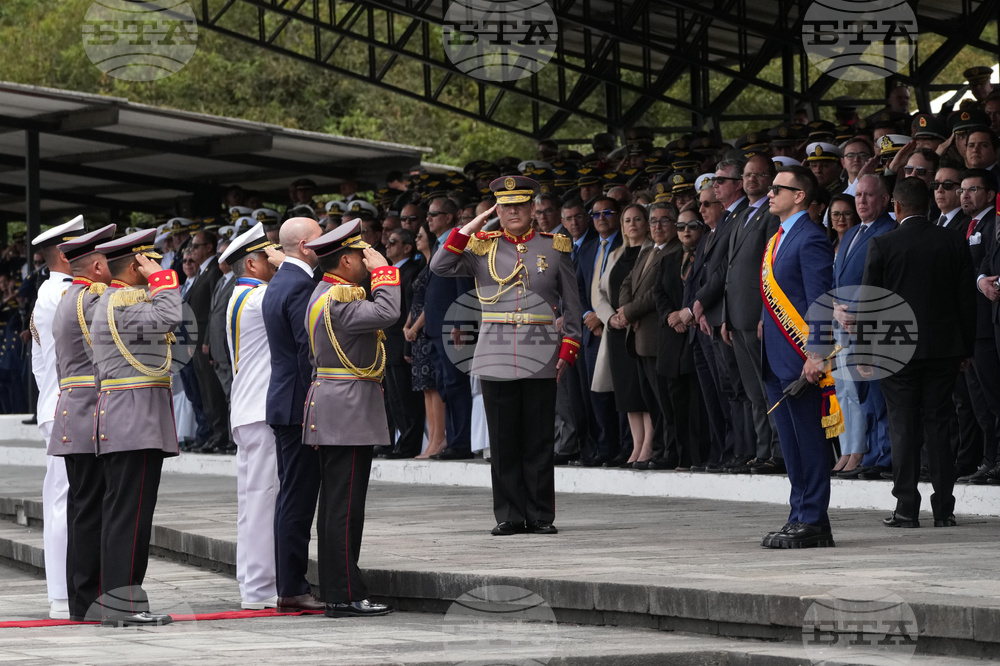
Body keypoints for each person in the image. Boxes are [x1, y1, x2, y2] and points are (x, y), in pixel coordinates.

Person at [431, 175, 581, 536]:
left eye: (520, 205)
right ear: (497, 209)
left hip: (541, 349)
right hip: (496, 352)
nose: (514, 212)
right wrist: (472, 225)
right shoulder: (483, 247)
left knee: (538, 439)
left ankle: (541, 515)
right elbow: (440, 266)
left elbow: (572, 304)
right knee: (503, 440)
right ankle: (510, 515)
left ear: (533, 209)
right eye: (506, 206)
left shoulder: (555, 246)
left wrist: (570, 346)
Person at [865, 177, 976, 528]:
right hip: (944, 349)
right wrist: (966, 348)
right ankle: (944, 509)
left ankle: (906, 509)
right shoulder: (951, 240)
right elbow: (966, 299)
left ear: (895, 206)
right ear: (928, 205)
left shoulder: (882, 244)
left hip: (896, 350)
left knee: (903, 428)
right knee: (939, 426)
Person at [89, 228, 182, 625]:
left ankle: (118, 600)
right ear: (134, 265)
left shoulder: (117, 300)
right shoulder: (123, 302)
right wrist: (163, 280)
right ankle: (123, 604)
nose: (157, 267)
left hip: (130, 418)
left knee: (126, 514)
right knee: (130, 515)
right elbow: (171, 315)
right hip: (134, 420)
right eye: (150, 261)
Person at [302, 220, 395, 617]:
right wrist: (386, 271)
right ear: (345, 260)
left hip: (337, 406)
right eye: (361, 255)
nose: (366, 260)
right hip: (348, 409)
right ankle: (343, 594)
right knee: (344, 507)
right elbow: (388, 311)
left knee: (339, 504)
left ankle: (341, 589)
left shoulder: (326, 293)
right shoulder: (339, 298)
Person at [759, 166, 839, 549]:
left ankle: (813, 519)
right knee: (791, 444)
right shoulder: (778, 238)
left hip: (800, 357)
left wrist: (818, 353)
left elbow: (820, 301)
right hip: (776, 357)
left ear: (800, 196)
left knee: (808, 441)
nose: (770, 193)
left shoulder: (809, 239)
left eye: (778, 188)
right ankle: (800, 514)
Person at [47, 222, 115, 622]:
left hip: (76, 408)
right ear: (95, 267)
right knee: (91, 508)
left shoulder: (69, 297)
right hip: (90, 410)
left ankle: (82, 597)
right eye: (108, 260)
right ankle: (90, 597)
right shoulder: (92, 299)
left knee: (83, 507)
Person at [261, 216, 325, 613]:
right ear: (304, 245)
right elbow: (308, 351)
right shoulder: (300, 285)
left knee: (291, 497)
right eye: (321, 238)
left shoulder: (279, 281)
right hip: (299, 402)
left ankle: (290, 582)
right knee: (298, 500)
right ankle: (292, 586)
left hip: (284, 400)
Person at [29, 215, 85, 620]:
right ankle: (63, 595)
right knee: (65, 501)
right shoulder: (65, 294)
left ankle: (65, 592)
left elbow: (37, 364)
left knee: (63, 499)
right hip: (68, 406)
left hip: (57, 403)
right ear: (65, 254)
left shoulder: (47, 293)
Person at [222, 223, 281, 610]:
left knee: (251, 500)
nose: (277, 263)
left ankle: (252, 581)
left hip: (248, 408)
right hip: (261, 409)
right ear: (253, 262)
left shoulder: (237, 295)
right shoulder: (260, 297)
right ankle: (260, 589)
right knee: (262, 499)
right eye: (271, 257)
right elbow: (299, 292)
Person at [620, 202, 682, 468]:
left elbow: (654, 293)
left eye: (664, 221)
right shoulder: (650, 250)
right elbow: (627, 281)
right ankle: (659, 450)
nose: (657, 226)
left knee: (665, 401)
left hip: (658, 336)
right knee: (652, 400)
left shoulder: (674, 251)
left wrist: (628, 313)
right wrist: (623, 309)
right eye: (653, 221)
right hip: (640, 337)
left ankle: (668, 452)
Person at [593, 203, 652, 467]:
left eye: (637, 219)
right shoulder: (616, 254)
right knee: (627, 393)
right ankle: (636, 445)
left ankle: (648, 444)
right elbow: (600, 293)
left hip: (640, 329)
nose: (632, 224)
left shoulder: (653, 251)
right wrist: (610, 318)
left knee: (644, 390)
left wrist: (628, 314)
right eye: (627, 220)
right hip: (616, 331)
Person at [381, 228, 426, 458]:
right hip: (389, 344)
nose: (386, 245)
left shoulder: (409, 272)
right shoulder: (392, 272)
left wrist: (409, 346)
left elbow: (410, 309)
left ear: (407, 248)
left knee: (408, 400)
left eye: (392, 242)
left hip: (402, 344)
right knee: (393, 398)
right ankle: (399, 442)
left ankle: (409, 444)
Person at [404, 224, 446, 459]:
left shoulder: (436, 265)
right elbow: (417, 300)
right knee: (425, 388)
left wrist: (415, 326)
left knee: (433, 385)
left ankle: (439, 438)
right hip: (417, 332)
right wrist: (407, 326)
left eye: (420, 235)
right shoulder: (423, 265)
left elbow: (431, 301)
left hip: (427, 328)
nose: (417, 238)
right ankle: (432, 440)